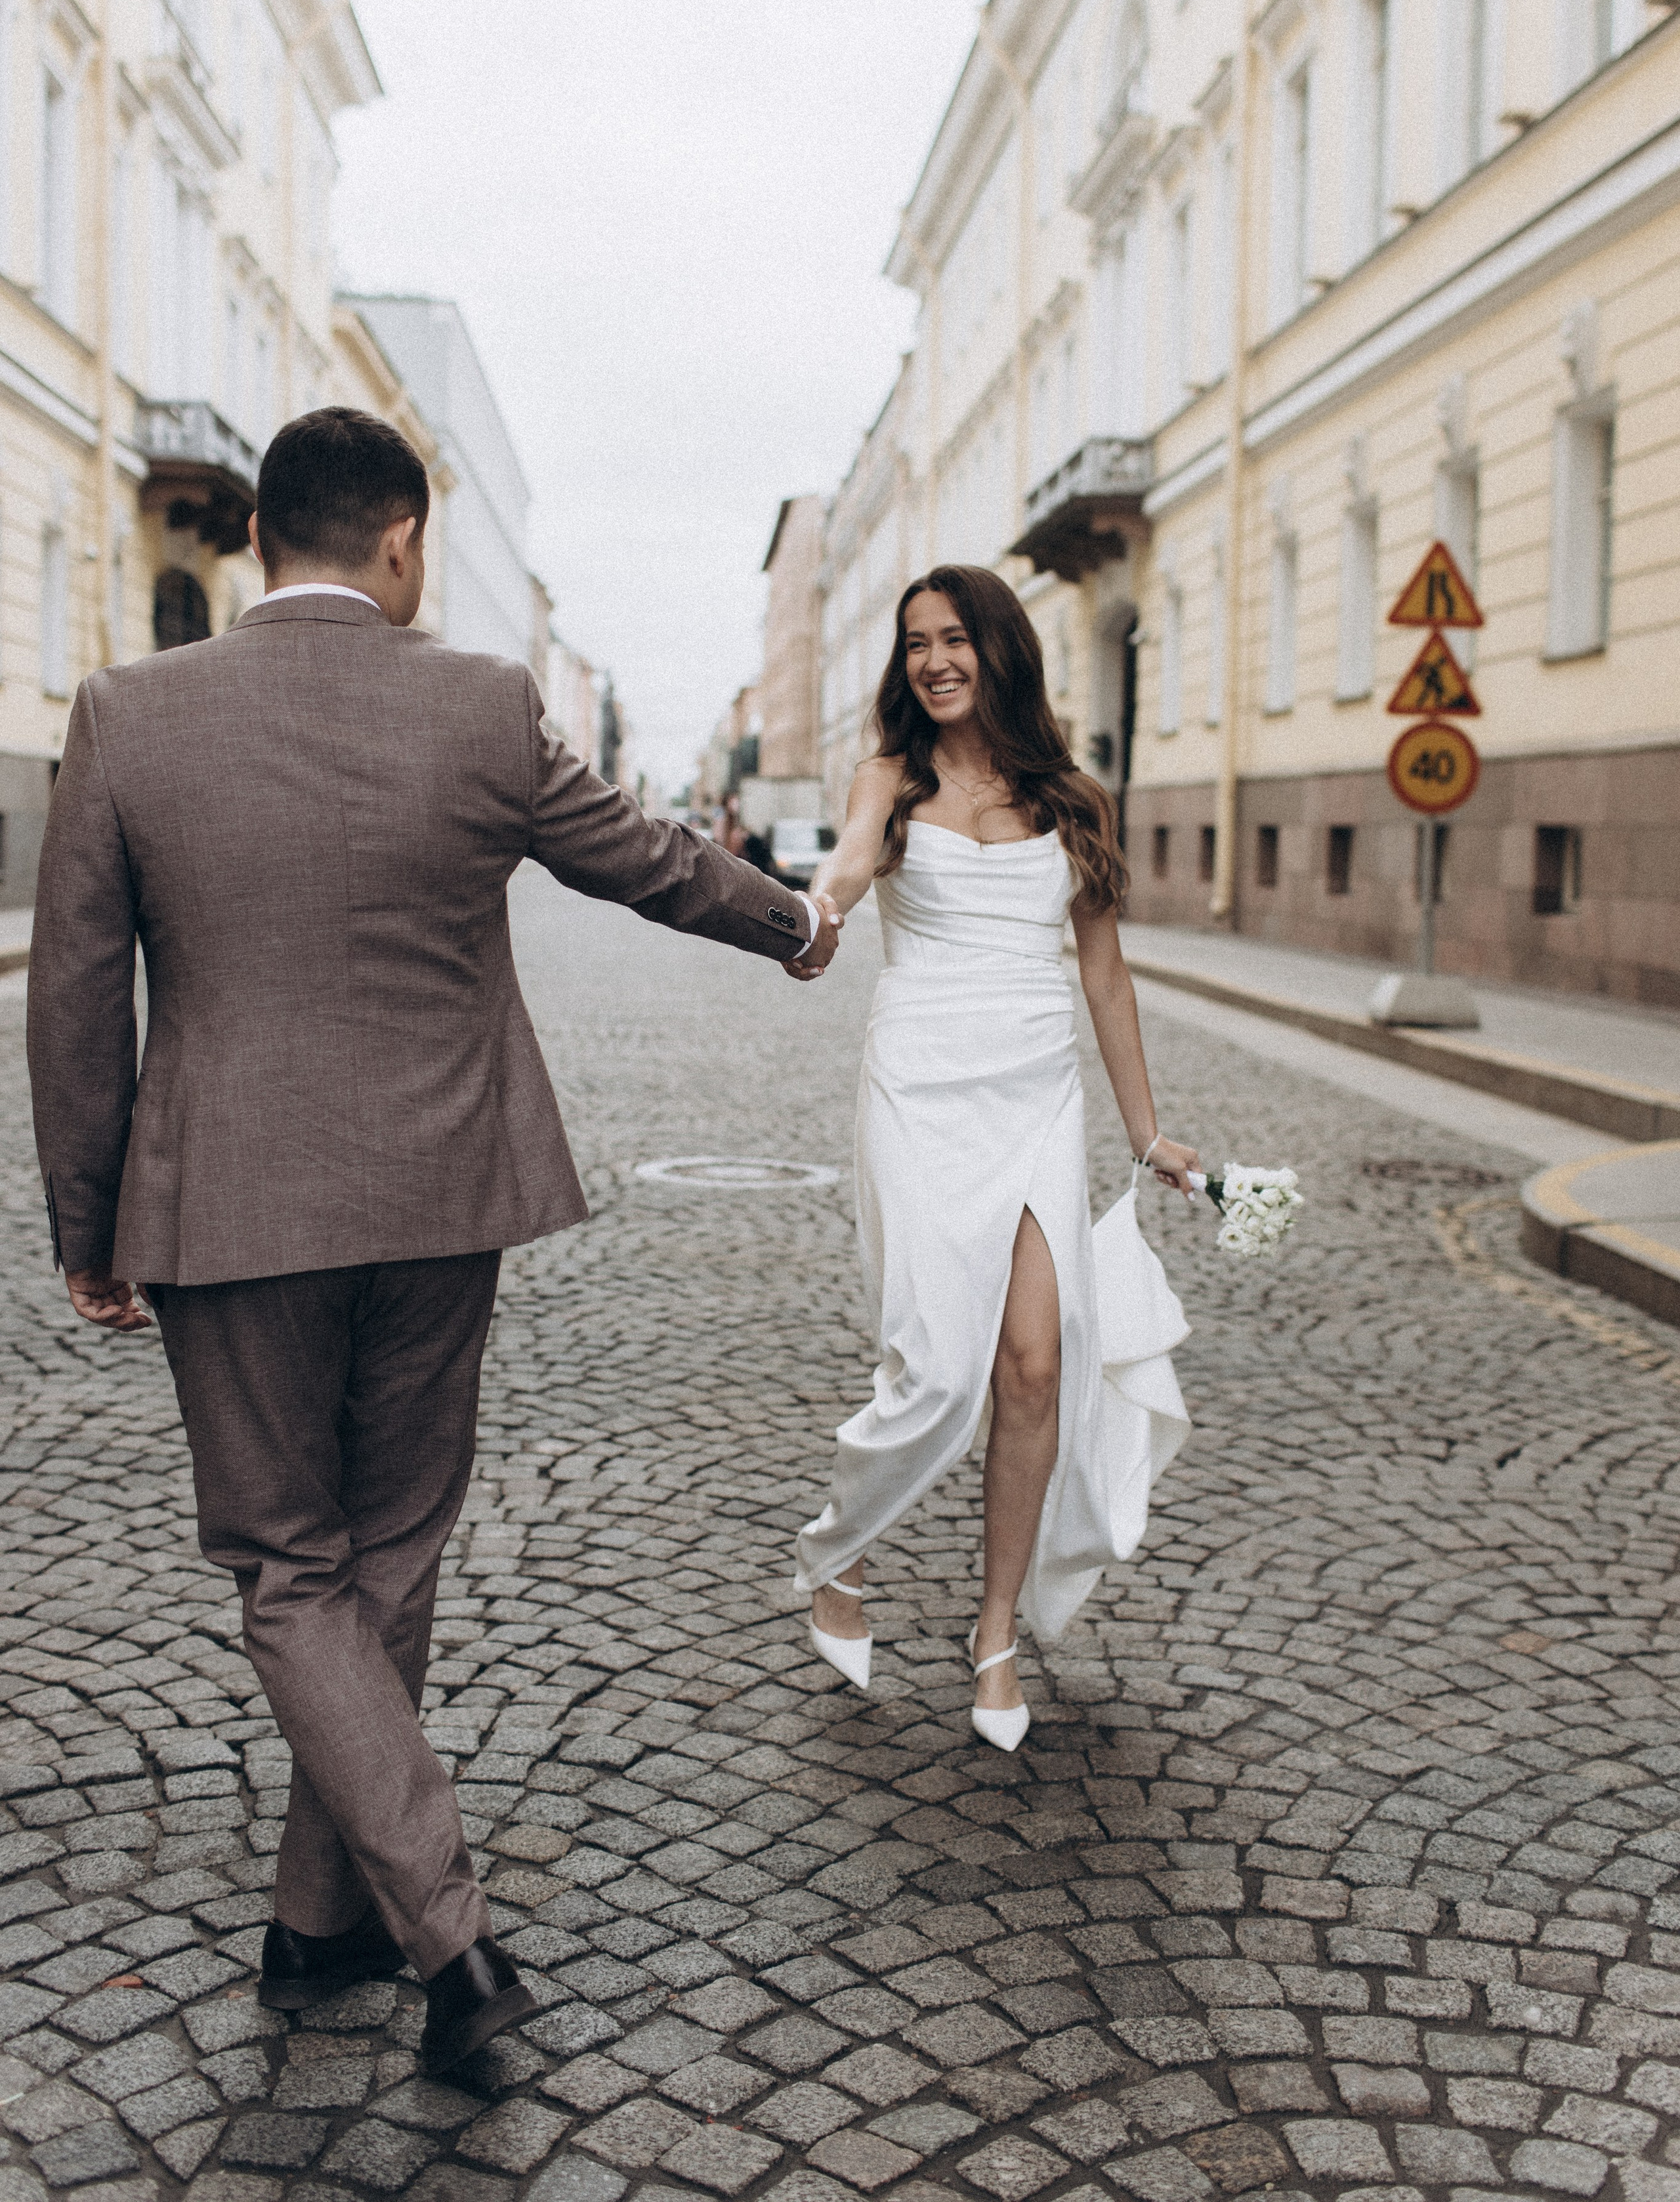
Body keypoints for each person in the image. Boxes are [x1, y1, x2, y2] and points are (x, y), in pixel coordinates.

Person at [26, 408, 840, 2075]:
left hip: (228, 1207)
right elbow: (641, 860)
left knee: (287, 1566)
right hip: (437, 1198)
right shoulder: (478, 702)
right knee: (387, 1549)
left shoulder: (125, 714)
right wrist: (794, 924)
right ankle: (352, 1926)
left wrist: (85, 1215)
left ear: (261, 538)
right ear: (400, 544)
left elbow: (72, 994)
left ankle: (413, 1932)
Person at [793, 564, 1194, 1750]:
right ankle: (837, 1552)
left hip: (1037, 1096)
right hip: (917, 1086)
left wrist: (1146, 1129)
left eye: (954, 637)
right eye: (915, 642)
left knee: (1034, 1363)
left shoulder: (1073, 798)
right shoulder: (888, 778)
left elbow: (1105, 972)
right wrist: (819, 907)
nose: (932, 660)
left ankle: (997, 1633)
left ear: (999, 649)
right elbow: (852, 865)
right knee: (930, 1364)